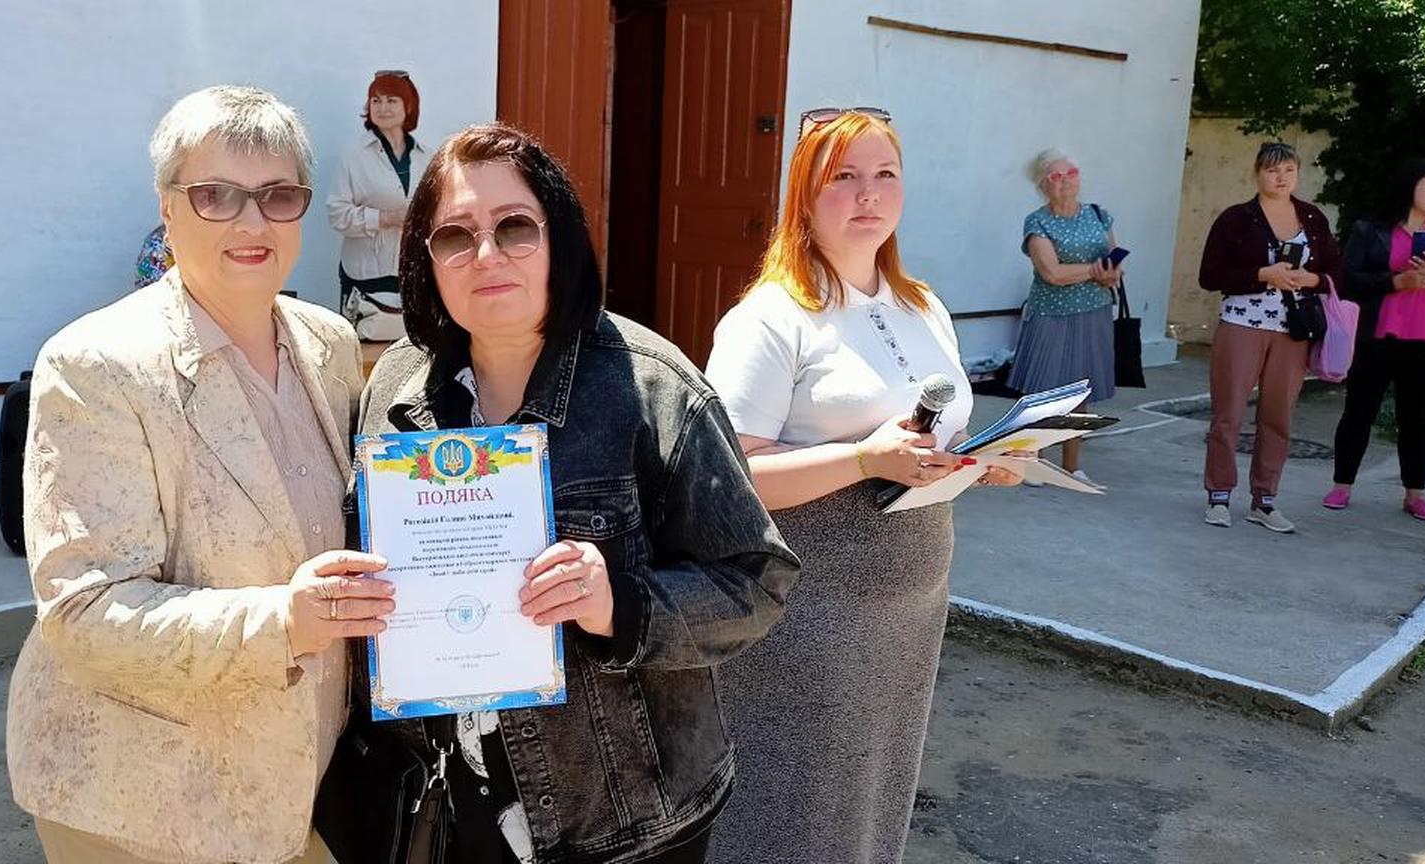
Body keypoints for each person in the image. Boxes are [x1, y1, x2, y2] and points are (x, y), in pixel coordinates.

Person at [352, 123, 800, 863]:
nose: (486, 255)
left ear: (558, 238)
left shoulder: (653, 388)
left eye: (514, 227)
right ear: (424, 260)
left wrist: (616, 604)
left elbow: (757, 581)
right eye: (455, 236)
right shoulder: (396, 386)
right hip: (452, 800)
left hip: (624, 820)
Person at [5, 85, 393, 864]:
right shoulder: (95, 366)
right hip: (144, 800)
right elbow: (85, 614)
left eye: (278, 195)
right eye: (216, 195)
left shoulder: (328, 343)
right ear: (167, 206)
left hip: (307, 784)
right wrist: (284, 620)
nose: (252, 223)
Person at [702, 108, 1024, 864]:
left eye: (885, 174)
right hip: (810, 609)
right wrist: (859, 459)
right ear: (804, 195)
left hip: (911, 600)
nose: (868, 194)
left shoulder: (922, 304)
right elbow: (728, 479)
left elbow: (923, 442)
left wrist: (982, 461)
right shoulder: (770, 319)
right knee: (796, 811)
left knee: (872, 802)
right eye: (843, 176)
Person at [1197, 142, 1345, 533]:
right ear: (1257, 173)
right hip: (1242, 323)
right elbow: (1210, 275)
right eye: (1272, 170)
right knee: (1228, 413)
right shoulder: (1236, 218)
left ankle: (1264, 500)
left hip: (1292, 329)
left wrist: (1312, 279)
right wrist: (1262, 274)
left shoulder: (1312, 217)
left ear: (1298, 173)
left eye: (1289, 170)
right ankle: (1219, 496)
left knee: (1278, 417)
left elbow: (1336, 272)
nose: (1281, 178)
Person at [1326, 158, 1425, 521]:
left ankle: (1415, 493)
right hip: (1376, 335)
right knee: (1359, 411)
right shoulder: (1370, 230)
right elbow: (1348, 279)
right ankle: (1342, 485)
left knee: (1418, 418)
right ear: (1410, 185)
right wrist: (1395, 281)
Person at [1009, 148, 1123, 485]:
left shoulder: (1100, 215)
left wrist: (1110, 273)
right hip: (1051, 313)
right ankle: (1034, 462)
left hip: (1093, 312)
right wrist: (1094, 270)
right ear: (1042, 185)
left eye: (1071, 173)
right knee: (1043, 392)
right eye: (1056, 176)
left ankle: (1073, 466)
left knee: (1081, 392)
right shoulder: (1037, 221)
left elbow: (1114, 265)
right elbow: (1052, 273)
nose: (1065, 181)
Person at [328, 70, 426, 342]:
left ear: (409, 106)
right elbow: (337, 214)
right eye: (376, 100)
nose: (383, 108)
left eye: (392, 100)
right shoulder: (353, 155)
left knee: (409, 349)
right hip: (364, 274)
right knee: (360, 348)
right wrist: (385, 218)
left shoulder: (427, 157)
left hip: (410, 272)